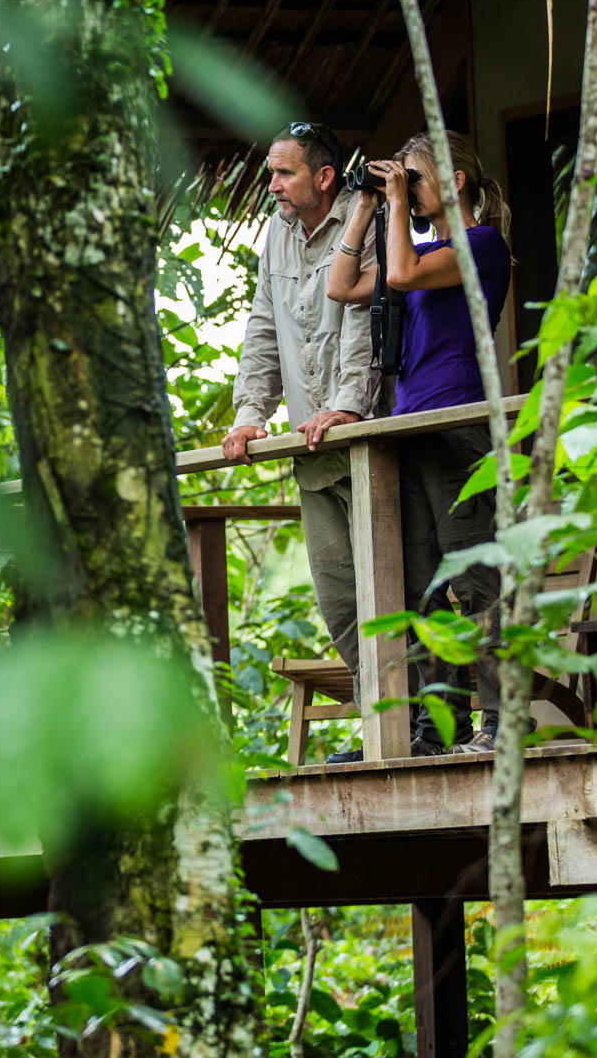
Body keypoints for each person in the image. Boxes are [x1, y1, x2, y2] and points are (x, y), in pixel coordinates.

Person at [326, 129, 511, 756]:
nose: (404, 187)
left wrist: (399, 203)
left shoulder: (481, 245)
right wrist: (366, 205)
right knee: (424, 585)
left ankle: (499, 724)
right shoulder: (422, 246)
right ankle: (439, 729)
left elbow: (400, 274)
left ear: (454, 183)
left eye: (415, 177)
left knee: (478, 576)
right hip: (408, 427)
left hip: (458, 424)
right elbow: (343, 282)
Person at [221, 122, 375, 761]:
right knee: (339, 598)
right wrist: (250, 413)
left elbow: (368, 318)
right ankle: (381, 728)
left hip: (368, 440)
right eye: (272, 172)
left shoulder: (363, 221)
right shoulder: (275, 237)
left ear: (323, 178)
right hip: (309, 448)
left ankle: (415, 730)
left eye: (284, 173)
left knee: (390, 588)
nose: (273, 185)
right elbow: (263, 329)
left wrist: (348, 404)